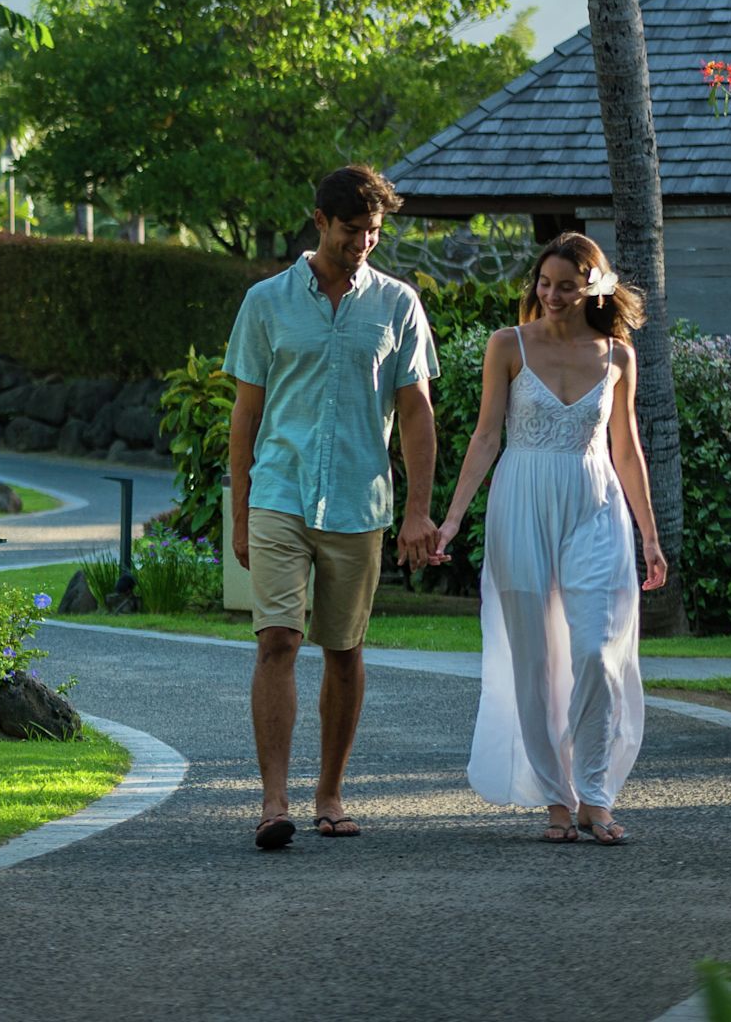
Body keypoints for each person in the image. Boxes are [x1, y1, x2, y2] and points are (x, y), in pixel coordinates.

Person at [227, 165, 440, 851]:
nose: (363, 245)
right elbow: (246, 414)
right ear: (319, 221)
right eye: (352, 231)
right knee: (279, 639)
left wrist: (418, 510)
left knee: (343, 651)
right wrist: (240, 512)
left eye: (374, 232)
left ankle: (330, 793)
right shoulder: (266, 302)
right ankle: (273, 802)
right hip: (280, 492)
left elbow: (415, 413)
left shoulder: (398, 304)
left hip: (359, 500)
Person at [432, 232, 670, 846]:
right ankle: (556, 801)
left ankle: (596, 793)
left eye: (567, 285)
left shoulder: (618, 355)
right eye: (545, 283)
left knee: (596, 650)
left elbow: (627, 447)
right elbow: (487, 437)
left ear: (592, 287)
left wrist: (649, 535)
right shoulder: (506, 346)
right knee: (534, 658)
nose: (552, 295)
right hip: (522, 500)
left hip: (595, 504)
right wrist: (454, 517)